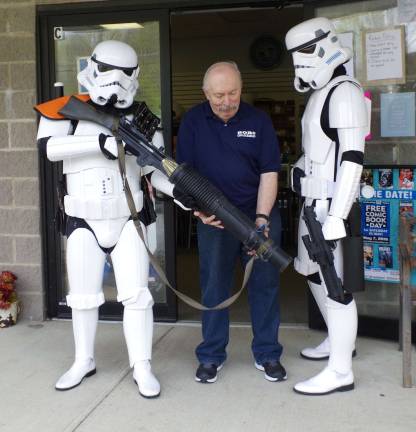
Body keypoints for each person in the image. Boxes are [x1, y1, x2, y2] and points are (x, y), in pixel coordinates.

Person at [35, 40, 176, 399]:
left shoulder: (143, 118)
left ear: (135, 76)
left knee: (138, 296)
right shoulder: (65, 110)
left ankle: (141, 364)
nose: (115, 81)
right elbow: (49, 149)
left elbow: (155, 168)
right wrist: (99, 142)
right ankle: (83, 359)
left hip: (127, 219)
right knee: (82, 297)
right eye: (108, 70)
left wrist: (182, 195)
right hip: (83, 219)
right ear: (92, 68)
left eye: (124, 73)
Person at [176, 61, 286, 384]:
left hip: (258, 214)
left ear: (241, 88)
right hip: (214, 219)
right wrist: (197, 211)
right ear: (206, 94)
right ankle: (211, 355)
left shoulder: (259, 120)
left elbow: (269, 172)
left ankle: (268, 354)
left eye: (233, 92)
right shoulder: (193, 122)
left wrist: (262, 219)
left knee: (264, 285)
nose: (227, 100)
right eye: (219, 94)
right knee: (214, 286)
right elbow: (184, 174)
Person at [285, 17, 369, 395]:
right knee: (315, 275)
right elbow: (317, 152)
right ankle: (339, 344)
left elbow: (352, 157)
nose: (300, 62)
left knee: (336, 287)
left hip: (331, 208)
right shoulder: (321, 93)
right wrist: (297, 174)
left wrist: (338, 213)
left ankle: (340, 370)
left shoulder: (345, 92)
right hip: (312, 204)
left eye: (305, 52)